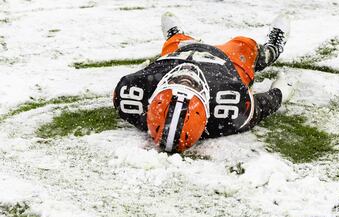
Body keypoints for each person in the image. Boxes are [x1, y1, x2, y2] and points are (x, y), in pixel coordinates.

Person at [113, 12, 291, 153]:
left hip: (178, 54)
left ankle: (176, 36)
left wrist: (149, 69)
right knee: (246, 45)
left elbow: (143, 77)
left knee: (174, 45)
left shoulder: (130, 96)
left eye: (176, 82)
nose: (187, 75)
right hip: (226, 61)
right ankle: (272, 49)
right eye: (192, 85)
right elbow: (261, 107)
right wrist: (279, 92)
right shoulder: (229, 107)